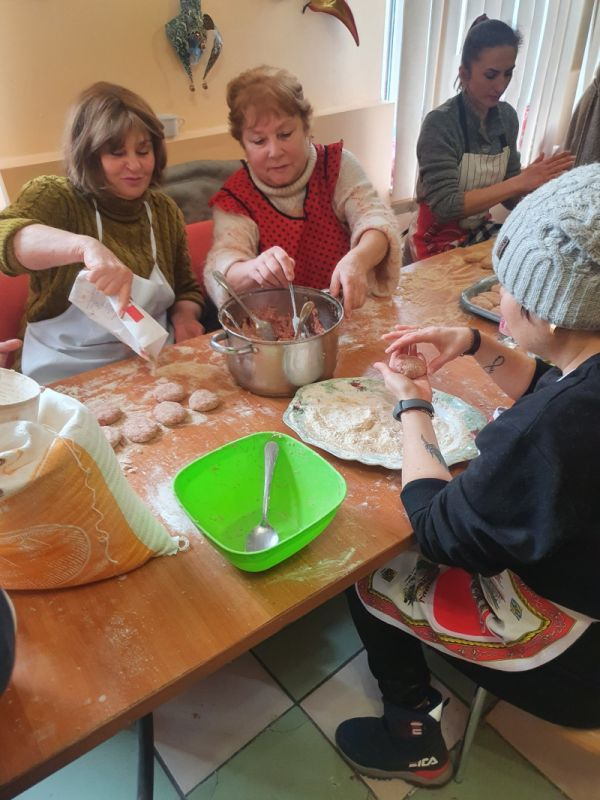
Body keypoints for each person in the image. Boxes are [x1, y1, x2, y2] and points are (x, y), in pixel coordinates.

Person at [335, 164, 600, 786]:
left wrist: (413, 404)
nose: (497, 297)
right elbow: (557, 385)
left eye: (507, 284)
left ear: (552, 310)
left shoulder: (552, 431)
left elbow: (436, 528)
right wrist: (478, 345)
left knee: (370, 564)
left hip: (575, 658)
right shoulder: (583, 382)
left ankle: (412, 731)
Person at [0, 82, 205, 384]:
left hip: (148, 365)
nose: (135, 165)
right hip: (62, 371)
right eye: (117, 152)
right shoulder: (58, 197)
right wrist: (84, 247)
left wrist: (185, 318)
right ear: (89, 155)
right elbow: (4, 235)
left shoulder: (163, 211)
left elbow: (186, 289)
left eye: (143, 150)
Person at [204, 65, 401, 318]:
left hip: (349, 313)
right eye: (259, 141)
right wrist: (254, 268)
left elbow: (377, 220)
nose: (275, 151)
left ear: (306, 127)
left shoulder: (335, 166)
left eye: (285, 134)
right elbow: (221, 266)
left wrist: (359, 259)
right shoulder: (236, 197)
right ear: (243, 144)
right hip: (279, 327)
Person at [405, 16, 575, 262]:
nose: (500, 86)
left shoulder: (507, 118)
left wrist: (539, 186)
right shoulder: (441, 124)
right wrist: (519, 182)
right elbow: (446, 205)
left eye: (508, 74)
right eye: (491, 75)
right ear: (464, 74)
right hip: (433, 240)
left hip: (478, 232)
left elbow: (510, 198)